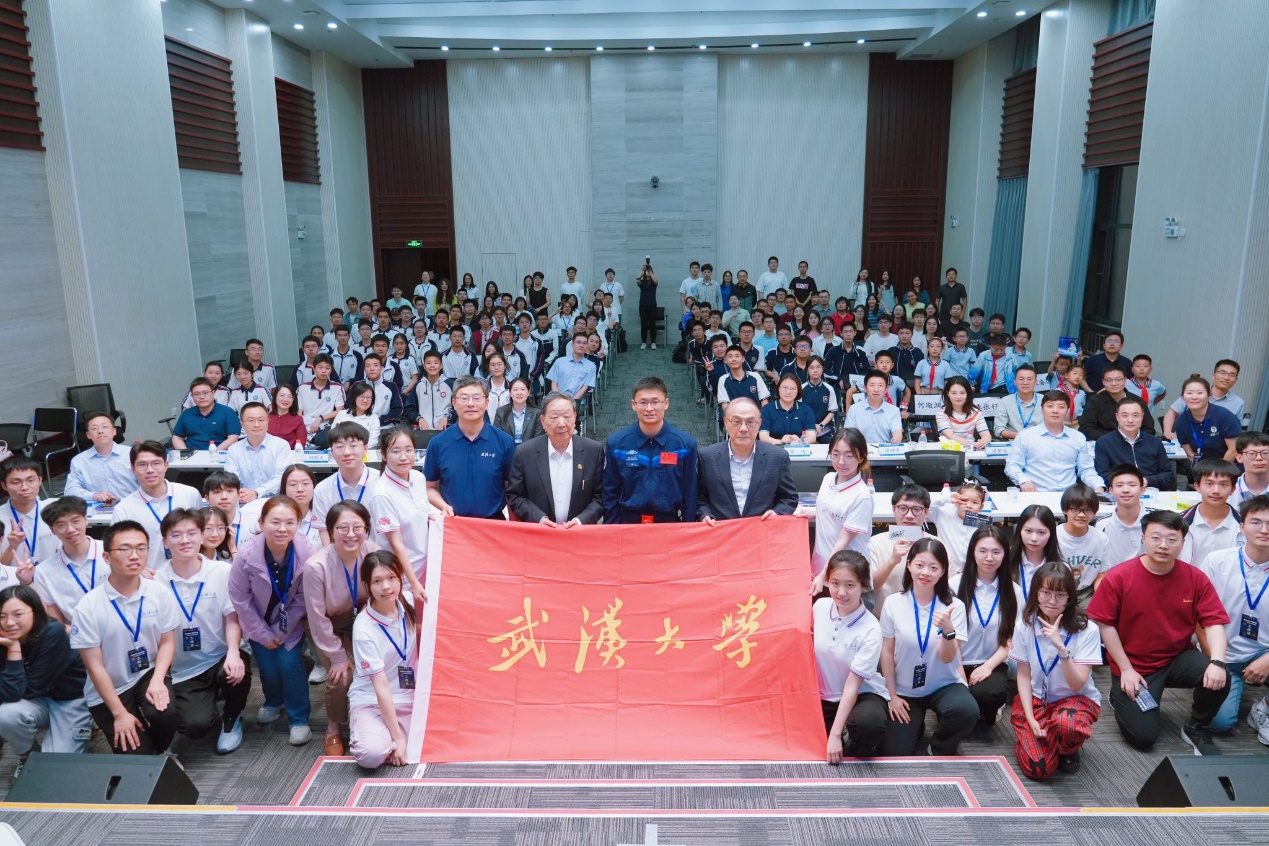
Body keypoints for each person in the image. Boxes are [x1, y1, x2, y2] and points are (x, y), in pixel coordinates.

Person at [1087, 510, 1230, 755]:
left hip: (1176, 657)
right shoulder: (1119, 577)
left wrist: (1217, 661)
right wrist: (1125, 669)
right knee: (1143, 737)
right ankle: (1119, 692)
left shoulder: (1195, 578)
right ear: (1143, 538)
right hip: (1134, 664)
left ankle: (1196, 726)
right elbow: (1106, 626)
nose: (1163, 545)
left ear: (1182, 543)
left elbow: (1214, 622)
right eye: (1156, 537)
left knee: (1220, 676)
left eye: (1172, 539)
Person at [72, 521, 181, 755]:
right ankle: (150, 755)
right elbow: (95, 667)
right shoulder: (88, 607)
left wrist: (158, 679)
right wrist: (119, 713)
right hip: (110, 686)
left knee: (167, 714)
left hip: (146, 672)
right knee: (135, 755)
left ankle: (159, 753)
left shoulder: (158, 592)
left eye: (141, 548)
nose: (135, 555)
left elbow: (167, 641)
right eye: (125, 549)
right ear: (107, 557)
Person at [157, 509, 250, 754]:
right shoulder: (155, 582)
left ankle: (232, 718)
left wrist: (233, 652)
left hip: (218, 656)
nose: (185, 540)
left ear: (201, 536)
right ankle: (206, 702)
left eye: (191, 533)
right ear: (165, 541)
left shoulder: (221, 572)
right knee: (195, 726)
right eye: (176, 535)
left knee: (239, 666)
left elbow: (232, 617)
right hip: (183, 668)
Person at [228, 495, 315, 746]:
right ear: (261, 522)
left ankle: (299, 719)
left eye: (290, 522)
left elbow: (303, 594)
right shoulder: (245, 555)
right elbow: (240, 599)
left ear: (298, 524)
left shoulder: (306, 550)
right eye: (275, 522)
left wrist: (281, 630)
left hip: (290, 623)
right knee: (267, 666)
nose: (282, 528)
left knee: (289, 664)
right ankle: (274, 701)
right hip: (256, 622)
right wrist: (264, 633)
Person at [879, 538, 978, 756]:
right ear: (909, 565)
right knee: (895, 751)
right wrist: (892, 695)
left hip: (943, 683)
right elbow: (886, 652)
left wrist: (948, 631)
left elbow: (947, 657)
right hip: (906, 689)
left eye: (934, 568)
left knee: (967, 711)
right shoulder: (893, 603)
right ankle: (917, 724)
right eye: (920, 565)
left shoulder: (955, 606)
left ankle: (939, 745)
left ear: (943, 571)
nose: (926, 572)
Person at [1010, 562, 1103, 780]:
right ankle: (1033, 735)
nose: (1052, 601)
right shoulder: (1025, 625)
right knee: (1039, 769)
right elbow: (1023, 675)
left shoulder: (1087, 629)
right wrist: (1031, 719)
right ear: (1036, 593)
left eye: (1060, 595)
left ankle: (1068, 748)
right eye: (1046, 593)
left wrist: (1062, 649)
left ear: (1070, 597)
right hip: (1037, 700)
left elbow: (1077, 684)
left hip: (1073, 698)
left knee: (1068, 725)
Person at [304, 501, 382, 757]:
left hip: (364, 621)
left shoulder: (372, 553)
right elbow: (317, 618)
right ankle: (334, 727)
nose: (351, 534)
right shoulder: (317, 566)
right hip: (329, 626)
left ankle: (376, 716)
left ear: (367, 528)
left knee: (377, 667)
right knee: (342, 676)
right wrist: (337, 657)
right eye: (343, 528)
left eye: (357, 527)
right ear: (330, 530)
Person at [1197, 494, 1269, 739]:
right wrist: (1215, 661)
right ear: (1242, 526)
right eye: (1256, 522)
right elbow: (1197, 618)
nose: (1264, 530)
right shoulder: (1217, 561)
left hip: (1265, 651)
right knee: (1219, 723)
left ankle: (1265, 708)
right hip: (1223, 653)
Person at [0, 584, 92, 773]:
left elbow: (30, 687)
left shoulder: (53, 632)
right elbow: (11, 694)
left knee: (55, 770)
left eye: (18, 614)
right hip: (35, 701)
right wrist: (13, 648)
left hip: (69, 701)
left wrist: (13, 650)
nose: (9, 623)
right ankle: (27, 753)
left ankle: (87, 726)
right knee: (6, 714)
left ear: (35, 611)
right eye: (2, 616)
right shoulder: (3, 638)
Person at [349, 551, 425, 769]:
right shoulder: (364, 629)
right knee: (370, 756)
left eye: (392, 578)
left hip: (408, 697)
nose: (386, 587)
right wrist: (399, 739)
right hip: (372, 700)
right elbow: (381, 687)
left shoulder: (407, 601)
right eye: (377, 581)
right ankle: (390, 735)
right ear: (367, 585)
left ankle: (390, 735)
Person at [815, 551, 890, 761]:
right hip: (823, 696)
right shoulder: (819, 608)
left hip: (861, 694)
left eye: (850, 585)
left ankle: (855, 742)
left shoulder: (871, 629)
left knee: (869, 724)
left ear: (864, 586)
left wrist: (835, 734)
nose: (841, 592)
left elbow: (852, 685)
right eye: (835, 583)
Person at [603, 376, 699, 524]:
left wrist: (688, 530)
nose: (649, 408)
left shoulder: (684, 445)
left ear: (666, 403)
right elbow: (610, 493)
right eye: (643, 402)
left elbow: (690, 494)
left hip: (669, 525)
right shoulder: (616, 444)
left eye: (655, 402)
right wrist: (613, 529)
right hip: (628, 525)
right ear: (633, 405)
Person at [951, 526, 1021, 728]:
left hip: (992, 661)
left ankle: (990, 708)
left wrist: (988, 666)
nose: (989, 557)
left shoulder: (1013, 591)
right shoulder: (954, 586)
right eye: (983, 551)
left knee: (987, 697)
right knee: (958, 709)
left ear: (1005, 555)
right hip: (955, 661)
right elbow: (948, 637)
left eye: (996, 552)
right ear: (973, 551)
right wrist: (961, 677)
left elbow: (1012, 637)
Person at [423, 377, 516, 520]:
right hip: (454, 523)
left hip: (493, 523)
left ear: (486, 403)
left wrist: (513, 527)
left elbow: (512, 491)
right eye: (464, 398)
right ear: (454, 403)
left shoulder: (505, 442)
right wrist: (443, 506)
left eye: (477, 398)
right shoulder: (437, 443)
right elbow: (429, 488)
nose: (471, 404)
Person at [506, 393, 605, 526]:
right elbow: (515, 495)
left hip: (580, 535)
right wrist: (538, 518)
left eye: (567, 416)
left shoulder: (593, 451)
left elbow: (600, 496)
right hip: (540, 534)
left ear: (575, 418)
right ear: (542, 420)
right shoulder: (525, 452)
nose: (561, 423)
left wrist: (581, 520)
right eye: (554, 417)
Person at [697, 398, 798, 525]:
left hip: (761, 532)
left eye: (750, 422)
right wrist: (704, 514)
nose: (743, 428)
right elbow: (699, 498)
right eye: (736, 421)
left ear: (759, 424)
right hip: (721, 533)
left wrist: (777, 512)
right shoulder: (707, 457)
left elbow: (789, 497)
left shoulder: (777, 457)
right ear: (726, 423)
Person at [112, 442, 202, 572]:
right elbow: (118, 549)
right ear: (133, 469)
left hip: (192, 574)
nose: (150, 470)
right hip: (151, 579)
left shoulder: (189, 494)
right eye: (142, 465)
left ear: (166, 465)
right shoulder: (124, 509)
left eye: (156, 463)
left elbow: (202, 532)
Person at [1005, 391, 1104, 492]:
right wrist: (1024, 481)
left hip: (1069, 497)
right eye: (1050, 406)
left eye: (1061, 407)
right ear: (1042, 410)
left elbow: (1086, 469)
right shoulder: (1025, 436)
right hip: (1036, 494)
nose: (1055, 411)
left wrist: (1098, 486)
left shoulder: (1078, 437)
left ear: (1067, 410)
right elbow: (1012, 465)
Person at [370, 426, 432, 579]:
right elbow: (396, 545)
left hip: (427, 568)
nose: (403, 457)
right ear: (383, 455)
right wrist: (413, 583)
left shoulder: (418, 477)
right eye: (395, 451)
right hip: (401, 574)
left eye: (409, 450)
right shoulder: (382, 494)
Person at [33, 497, 101, 627]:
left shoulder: (113, 552)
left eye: (75, 521)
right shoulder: (43, 572)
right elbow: (57, 622)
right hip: (78, 637)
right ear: (52, 530)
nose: (70, 529)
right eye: (61, 525)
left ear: (86, 520)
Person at [868, 484, 936, 613]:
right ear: (894, 509)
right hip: (883, 619)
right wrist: (892, 561)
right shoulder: (875, 543)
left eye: (916, 509)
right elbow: (871, 586)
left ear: (926, 512)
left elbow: (947, 587)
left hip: (926, 619)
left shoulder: (936, 544)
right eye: (903, 508)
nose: (909, 515)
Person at [312, 421, 381, 537]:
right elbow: (324, 533)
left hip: (378, 553)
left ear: (365, 448)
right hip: (340, 554)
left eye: (353, 446)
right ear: (332, 452)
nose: (347, 452)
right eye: (339, 447)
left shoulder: (382, 482)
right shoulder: (322, 490)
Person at [1093, 397, 1175, 490]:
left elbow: (1168, 475)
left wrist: (1147, 480)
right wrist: (1129, 484)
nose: (1130, 420)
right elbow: (1102, 475)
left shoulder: (1155, 442)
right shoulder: (1104, 443)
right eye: (1125, 415)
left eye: (1135, 415)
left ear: (1142, 417)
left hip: (1152, 491)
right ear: (1117, 417)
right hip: (1120, 492)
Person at [1178, 460, 1244, 568]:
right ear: (1197, 486)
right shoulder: (1178, 523)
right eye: (1209, 483)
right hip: (1190, 583)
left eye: (1223, 484)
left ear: (1233, 489)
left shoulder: (1245, 524)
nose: (1216, 491)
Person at [1056, 484, 1112, 609]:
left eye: (1087, 510)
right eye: (1075, 509)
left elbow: (1101, 575)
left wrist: (1101, 600)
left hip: (1087, 592)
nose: (1081, 515)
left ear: (1094, 512)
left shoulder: (1100, 538)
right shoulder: (1054, 536)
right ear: (1065, 510)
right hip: (1057, 591)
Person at [63, 413, 137, 505]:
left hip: (131, 507)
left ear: (114, 431)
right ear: (88, 435)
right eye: (94, 428)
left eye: (105, 427)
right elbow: (70, 491)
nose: (100, 431)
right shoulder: (79, 461)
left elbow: (148, 483)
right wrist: (93, 495)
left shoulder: (131, 454)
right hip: (97, 512)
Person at [224, 403, 291, 503]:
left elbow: (281, 479)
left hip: (274, 502)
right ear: (241, 423)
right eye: (251, 420)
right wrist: (243, 495)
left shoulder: (281, 445)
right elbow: (231, 480)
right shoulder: (234, 449)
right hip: (243, 502)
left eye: (261, 420)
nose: (256, 424)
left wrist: (256, 493)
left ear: (268, 421)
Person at [1163, 360, 1245, 438]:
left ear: (1236, 379)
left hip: (1217, 449)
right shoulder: (1195, 393)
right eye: (1222, 373)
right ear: (1213, 375)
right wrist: (1167, 431)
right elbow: (1171, 413)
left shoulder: (1238, 403)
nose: (1226, 377)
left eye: (1232, 375)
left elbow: (1236, 430)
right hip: (1184, 444)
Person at [1, 457, 56, 571]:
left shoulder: (55, 510)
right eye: (16, 482)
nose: (25, 487)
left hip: (53, 579)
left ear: (40, 480)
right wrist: (12, 546)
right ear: (4, 485)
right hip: (13, 585)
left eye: (30, 480)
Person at [1173, 375, 1241, 466]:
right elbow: (1190, 453)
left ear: (1209, 395)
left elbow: (1233, 450)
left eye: (1200, 393)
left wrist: (1217, 473)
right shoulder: (1181, 421)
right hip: (1201, 469)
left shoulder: (1224, 416)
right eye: (1189, 393)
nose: (1194, 397)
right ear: (1183, 396)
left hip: (1227, 468)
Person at [1078, 363, 1155, 441]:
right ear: (1103, 382)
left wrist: (1134, 439)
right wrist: (1114, 440)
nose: (1114, 384)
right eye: (1109, 380)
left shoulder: (1137, 401)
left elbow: (1148, 428)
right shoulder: (1095, 401)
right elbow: (1086, 428)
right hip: (1105, 442)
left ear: (1125, 380)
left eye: (1118, 380)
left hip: (1133, 442)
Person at [929, 481, 988, 575]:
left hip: (970, 571)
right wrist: (947, 498)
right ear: (956, 502)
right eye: (964, 501)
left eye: (975, 502)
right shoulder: (943, 514)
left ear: (981, 507)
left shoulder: (981, 522)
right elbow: (925, 505)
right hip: (944, 569)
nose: (969, 505)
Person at [1008, 504, 1062, 603]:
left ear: (1051, 534)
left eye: (1041, 533)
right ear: (1020, 530)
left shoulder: (1061, 567)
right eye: (1028, 531)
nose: (1034, 538)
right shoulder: (1004, 561)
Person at [171, 378, 240, 451]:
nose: (201, 397)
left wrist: (213, 453)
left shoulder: (227, 412)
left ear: (213, 393)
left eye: (205, 393)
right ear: (192, 396)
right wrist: (185, 453)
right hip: (192, 455)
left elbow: (233, 438)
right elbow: (177, 437)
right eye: (197, 394)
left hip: (219, 454)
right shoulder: (187, 414)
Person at [1099, 465, 1146, 570]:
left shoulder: (1156, 520)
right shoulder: (1102, 525)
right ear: (1111, 490)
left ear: (1142, 490)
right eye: (1119, 485)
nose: (1125, 490)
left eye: (1132, 485)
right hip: (1115, 581)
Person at [296, 356, 347, 446]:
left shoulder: (337, 387)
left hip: (326, 425)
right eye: (320, 367)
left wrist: (320, 418)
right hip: (305, 423)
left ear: (331, 370)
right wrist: (301, 427)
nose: (323, 371)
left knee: (326, 439)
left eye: (327, 368)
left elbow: (340, 410)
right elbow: (298, 412)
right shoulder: (303, 388)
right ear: (314, 368)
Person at [844, 370, 903, 444]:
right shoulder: (854, 409)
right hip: (860, 451)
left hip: (884, 452)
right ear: (865, 388)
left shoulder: (894, 410)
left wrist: (896, 438)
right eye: (872, 385)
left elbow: (897, 432)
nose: (876, 389)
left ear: (886, 389)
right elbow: (848, 435)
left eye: (880, 385)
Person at [759, 374, 818, 445]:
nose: (788, 392)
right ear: (778, 388)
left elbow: (811, 436)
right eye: (785, 387)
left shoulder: (806, 410)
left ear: (798, 391)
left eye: (793, 389)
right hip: (774, 451)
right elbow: (763, 436)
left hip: (799, 450)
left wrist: (800, 441)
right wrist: (780, 441)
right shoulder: (767, 409)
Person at [934, 376, 991, 450]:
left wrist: (984, 440)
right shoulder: (941, 414)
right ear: (948, 394)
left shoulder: (976, 413)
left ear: (967, 394)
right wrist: (972, 444)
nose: (958, 396)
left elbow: (986, 434)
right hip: (949, 452)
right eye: (954, 393)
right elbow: (951, 436)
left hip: (970, 451)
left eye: (962, 393)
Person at [993, 365, 1041, 440]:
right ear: (1015, 382)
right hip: (1013, 443)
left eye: (1029, 379)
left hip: (1040, 442)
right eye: (1021, 379)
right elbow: (999, 429)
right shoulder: (1005, 401)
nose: (1025, 382)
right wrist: (1022, 436)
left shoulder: (1045, 401)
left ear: (1036, 382)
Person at [332, 382, 382, 449]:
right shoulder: (342, 414)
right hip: (342, 450)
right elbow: (334, 435)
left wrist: (357, 448)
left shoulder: (374, 418)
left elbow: (373, 440)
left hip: (363, 451)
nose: (365, 400)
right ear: (355, 398)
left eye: (369, 397)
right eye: (362, 396)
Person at [1233, 432, 1269, 510]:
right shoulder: (1229, 489)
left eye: (1265, 453)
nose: (1259, 458)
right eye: (1252, 453)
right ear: (1239, 457)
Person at [268, 384, 309, 449]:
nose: (285, 399)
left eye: (290, 397)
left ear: (293, 400)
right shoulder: (265, 418)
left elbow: (301, 445)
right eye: (282, 395)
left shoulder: (298, 420)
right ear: (275, 397)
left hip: (289, 456)